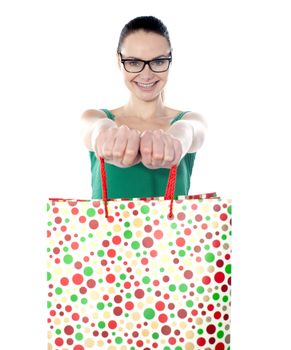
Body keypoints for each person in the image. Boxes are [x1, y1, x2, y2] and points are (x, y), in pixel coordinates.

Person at [80, 15, 208, 199]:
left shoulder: (190, 120)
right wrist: (103, 133)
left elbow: (191, 131)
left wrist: (179, 138)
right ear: (119, 61)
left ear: (170, 60)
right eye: (133, 62)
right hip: (105, 229)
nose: (146, 75)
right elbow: (93, 129)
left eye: (158, 62)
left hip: (171, 229)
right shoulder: (95, 117)